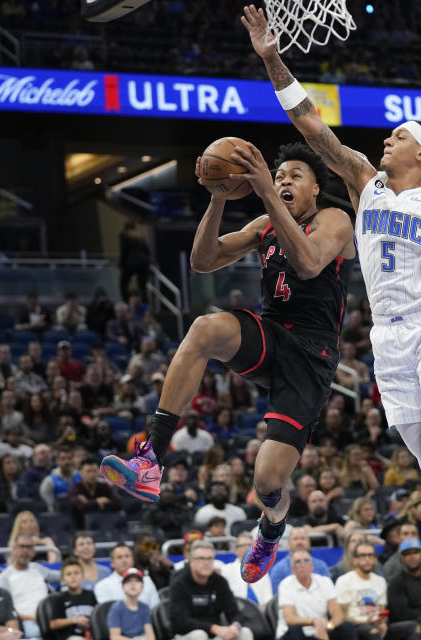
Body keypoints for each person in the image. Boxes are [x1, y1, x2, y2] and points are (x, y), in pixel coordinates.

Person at [241, 9, 421, 637]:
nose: (385, 141)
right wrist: (269, 59)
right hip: (385, 338)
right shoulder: (364, 183)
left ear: (420, 153)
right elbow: (310, 125)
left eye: (397, 136)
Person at [100, 140, 355, 586]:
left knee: (268, 482)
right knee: (204, 328)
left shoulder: (335, 220)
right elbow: (202, 261)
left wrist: (266, 193)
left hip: (312, 357)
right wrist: (218, 197)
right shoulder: (265, 224)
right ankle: (151, 460)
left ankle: (271, 528)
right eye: (278, 176)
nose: (283, 182)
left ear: (316, 188)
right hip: (272, 335)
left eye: (295, 176)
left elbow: (311, 264)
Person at [170, 540, 254, 640]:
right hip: (186, 635)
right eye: (201, 558)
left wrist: (235, 626)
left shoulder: (219, 581)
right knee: (199, 635)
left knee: (244, 632)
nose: (206, 562)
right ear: (191, 561)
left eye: (210, 558)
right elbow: (181, 622)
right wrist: (214, 628)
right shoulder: (179, 583)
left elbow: (234, 612)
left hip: (215, 633)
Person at [0, 534, 61, 638]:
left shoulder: (38, 569)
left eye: (29, 547)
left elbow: (60, 576)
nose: (25, 550)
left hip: (49, 619)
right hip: (25, 623)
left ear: (33, 551)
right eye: (22, 546)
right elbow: (3, 608)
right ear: (14, 549)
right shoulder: (4, 578)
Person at [277, 549, 354, 640]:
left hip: (322, 630)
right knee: (295, 629)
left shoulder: (325, 581)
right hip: (296, 633)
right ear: (292, 569)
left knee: (347, 626)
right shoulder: (285, 584)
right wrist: (314, 622)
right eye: (298, 562)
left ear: (312, 566)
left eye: (306, 560)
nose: (303, 565)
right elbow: (290, 619)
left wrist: (328, 626)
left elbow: (338, 614)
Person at [334, 543, 387, 639]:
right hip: (354, 626)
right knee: (373, 632)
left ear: (375, 559)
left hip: (375, 624)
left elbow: (382, 610)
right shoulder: (344, 581)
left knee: (412, 627)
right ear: (355, 560)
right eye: (363, 555)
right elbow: (341, 615)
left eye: (370, 555)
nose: (367, 559)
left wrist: (381, 622)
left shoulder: (381, 581)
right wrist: (366, 621)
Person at [94, 544, 160, 608]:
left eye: (127, 556)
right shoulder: (102, 586)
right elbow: (107, 613)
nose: (124, 560)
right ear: (112, 563)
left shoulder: (146, 581)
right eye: (119, 557)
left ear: (133, 561)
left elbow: (155, 608)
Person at [50, 558, 97, 640]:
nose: (73, 576)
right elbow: (53, 624)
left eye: (76, 573)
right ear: (63, 579)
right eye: (68, 574)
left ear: (83, 576)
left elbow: (98, 617)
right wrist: (75, 620)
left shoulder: (91, 595)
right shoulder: (59, 598)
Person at [223, 533, 273, 607]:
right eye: (243, 545)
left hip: (261, 612)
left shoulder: (262, 569)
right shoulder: (227, 570)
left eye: (250, 545)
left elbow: (268, 595)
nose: (247, 548)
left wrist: (265, 607)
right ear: (236, 550)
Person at [70, 458, 121, 529]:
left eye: (94, 471)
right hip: (81, 528)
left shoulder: (104, 486)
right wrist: (98, 502)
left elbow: (118, 503)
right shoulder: (76, 488)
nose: (92, 474)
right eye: (88, 471)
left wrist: (89, 503)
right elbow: (82, 506)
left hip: (105, 525)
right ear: (81, 472)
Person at [106, 569, 155, 640]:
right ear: (123, 587)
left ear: (142, 587)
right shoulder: (116, 608)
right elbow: (115, 637)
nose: (133, 584)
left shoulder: (145, 608)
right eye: (128, 581)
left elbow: (150, 634)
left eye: (137, 581)